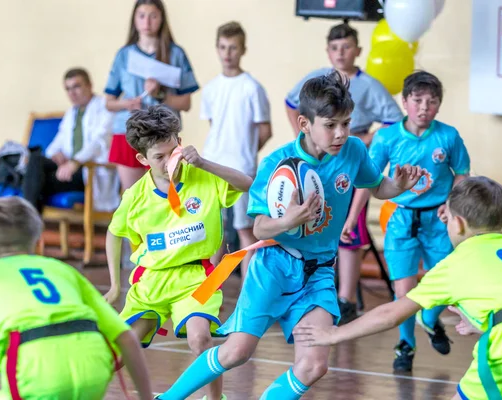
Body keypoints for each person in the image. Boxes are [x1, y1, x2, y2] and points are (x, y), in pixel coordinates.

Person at [155, 71, 423, 400]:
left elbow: (377, 185)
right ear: (304, 123)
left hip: (319, 272)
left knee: (313, 365)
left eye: (346, 123)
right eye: (330, 125)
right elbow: (259, 228)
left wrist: (398, 186)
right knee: (236, 352)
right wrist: (288, 220)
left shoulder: (352, 151)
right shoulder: (277, 164)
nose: (340, 133)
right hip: (274, 267)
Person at [293, 176, 502, 400]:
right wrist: (484, 323)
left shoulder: (456, 264)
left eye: (448, 217)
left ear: (459, 224)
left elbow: (390, 315)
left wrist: (334, 334)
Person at [104, 105, 252, 400]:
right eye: (159, 157)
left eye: (173, 151)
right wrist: (113, 285)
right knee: (122, 347)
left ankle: (214, 399)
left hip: (196, 278)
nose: (169, 161)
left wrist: (206, 163)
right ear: (142, 159)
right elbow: (113, 233)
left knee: (201, 338)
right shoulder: (135, 197)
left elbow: (247, 183)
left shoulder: (203, 176)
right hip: (151, 282)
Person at [0, 196, 152, 400]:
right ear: (39, 245)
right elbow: (127, 337)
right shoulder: (64, 270)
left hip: (36, 370)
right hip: (93, 366)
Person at [285, 23, 403, 322]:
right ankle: (308, 292)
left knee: (350, 229)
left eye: (347, 47)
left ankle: (346, 297)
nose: (341, 53)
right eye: (335, 48)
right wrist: (307, 137)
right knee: (312, 220)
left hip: (347, 158)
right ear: (328, 51)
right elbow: (290, 102)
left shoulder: (369, 86)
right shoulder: (315, 80)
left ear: (358, 51)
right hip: (317, 161)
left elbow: (393, 120)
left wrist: (366, 138)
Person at [364, 70, 471, 372]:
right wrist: (352, 216)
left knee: (446, 282)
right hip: (400, 220)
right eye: (418, 100)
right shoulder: (387, 137)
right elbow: (370, 179)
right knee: (404, 290)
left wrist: (452, 204)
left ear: (439, 105)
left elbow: (462, 172)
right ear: (405, 101)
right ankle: (405, 345)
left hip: (439, 218)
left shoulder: (447, 136)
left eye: (432, 101)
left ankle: (430, 319)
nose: (424, 107)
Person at [200, 21, 272, 278]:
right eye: (223, 47)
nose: (227, 53)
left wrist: (246, 151)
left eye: (233, 47)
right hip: (211, 166)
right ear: (217, 49)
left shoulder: (252, 88)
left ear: (242, 50)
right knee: (214, 231)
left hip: (241, 168)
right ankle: (208, 290)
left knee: (245, 231)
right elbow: (215, 125)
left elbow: (265, 130)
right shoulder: (210, 89)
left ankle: (246, 294)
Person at [104, 0, 200, 191]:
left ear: (162, 19)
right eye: (142, 16)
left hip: (163, 134)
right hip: (129, 133)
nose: (147, 21)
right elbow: (108, 102)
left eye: (153, 16)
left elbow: (186, 102)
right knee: (133, 196)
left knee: (165, 194)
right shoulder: (124, 55)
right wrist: (127, 104)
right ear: (134, 20)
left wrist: (160, 94)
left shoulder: (175, 53)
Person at [23, 68, 119, 213]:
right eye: (68, 89)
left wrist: (75, 162)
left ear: (89, 85)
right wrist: (55, 155)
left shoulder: (105, 107)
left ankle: (28, 225)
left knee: (33, 183)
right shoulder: (71, 113)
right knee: (36, 161)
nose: (72, 93)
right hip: (67, 169)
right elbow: (57, 142)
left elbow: (99, 142)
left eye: (76, 86)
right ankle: (30, 223)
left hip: (89, 171)